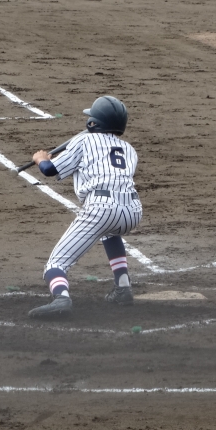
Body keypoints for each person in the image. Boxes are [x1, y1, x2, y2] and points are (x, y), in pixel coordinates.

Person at [27, 96, 143, 318]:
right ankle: (123, 288)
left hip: (101, 208)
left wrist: (41, 158)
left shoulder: (82, 141)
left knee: (56, 263)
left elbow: (50, 170)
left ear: (93, 122)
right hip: (132, 210)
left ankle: (61, 299)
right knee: (110, 232)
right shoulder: (129, 149)